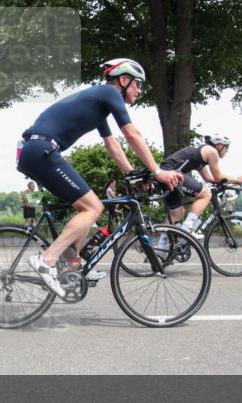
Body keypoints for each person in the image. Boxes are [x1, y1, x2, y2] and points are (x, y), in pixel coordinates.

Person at [16, 58, 182, 296]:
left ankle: (73, 267)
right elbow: (132, 134)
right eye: (137, 84)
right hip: (42, 150)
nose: (140, 90)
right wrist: (157, 171)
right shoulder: (108, 93)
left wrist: (131, 173)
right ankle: (47, 260)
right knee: (92, 208)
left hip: (35, 151)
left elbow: (112, 144)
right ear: (123, 81)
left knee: (85, 205)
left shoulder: (99, 103)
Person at [157, 134, 242, 245]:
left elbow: (209, 178)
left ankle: (160, 249)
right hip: (171, 174)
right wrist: (238, 180)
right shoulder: (212, 152)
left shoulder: (201, 153)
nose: (227, 151)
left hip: (163, 175)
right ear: (219, 145)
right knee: (206, 194)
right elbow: (218, 176)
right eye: (227, 147)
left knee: (177, 213)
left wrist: (229, 186)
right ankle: (187, 229)